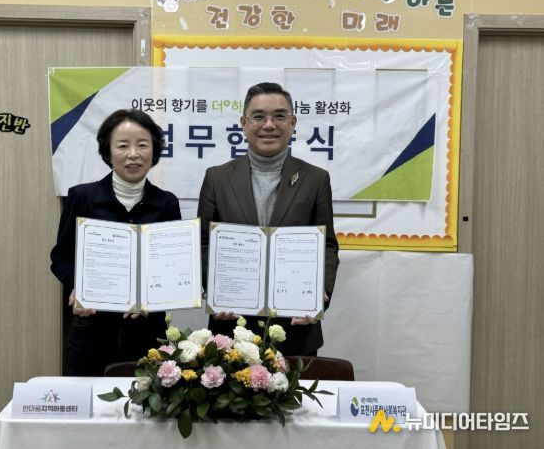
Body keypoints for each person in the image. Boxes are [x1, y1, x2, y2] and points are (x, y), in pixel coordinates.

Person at [197, 82, 339, 356]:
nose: (269, 125)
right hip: (232, 327)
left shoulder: (316, 179)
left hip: (295, 327)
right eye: (259, 116)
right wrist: (213, 289)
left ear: (293, 122)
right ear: (244, 123)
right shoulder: (217, 178)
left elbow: (327, 245)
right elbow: (203, 242)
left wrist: (320, 293)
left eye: (279, 116)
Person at [51, 109, 181, 376]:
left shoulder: (167, 203)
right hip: (92, 332)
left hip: (148, 334)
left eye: (142, 145)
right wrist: (79, 286)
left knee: (147, 402)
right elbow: (61, 258)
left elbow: (172, 268)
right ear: (108, 152)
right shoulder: (82, 197)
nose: (133, 154)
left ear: (154, 151)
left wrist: (155, 297)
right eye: (122, 146)